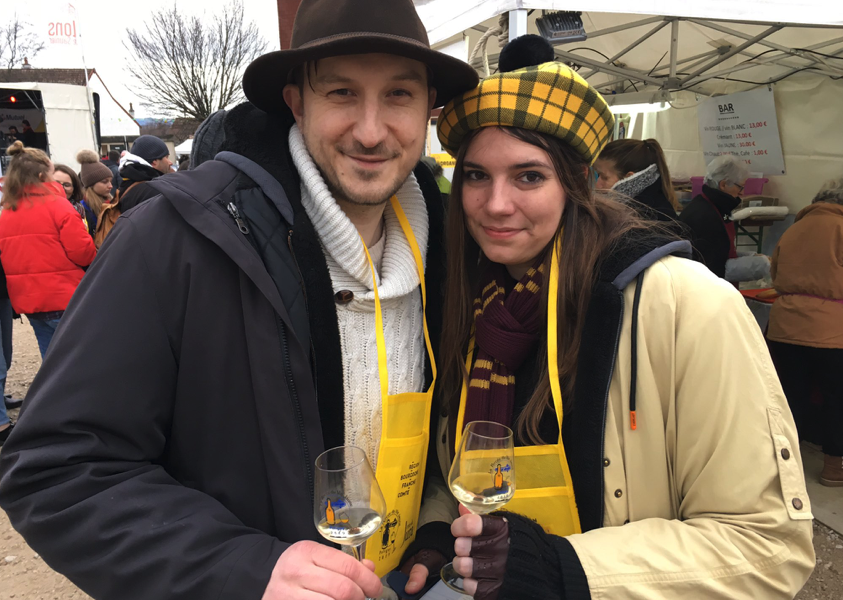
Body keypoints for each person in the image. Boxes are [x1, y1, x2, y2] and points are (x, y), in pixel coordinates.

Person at [0, 2, 478, 600]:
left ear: (430, 107)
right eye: (341, 93)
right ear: (297, 103)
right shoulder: (177, 237)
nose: (372, 130)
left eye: (400, 95)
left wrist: (431, 529)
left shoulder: (447, 238)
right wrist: (242, 571)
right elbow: (54, 470)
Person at [402, 35, 813, 600]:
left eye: (528, 176)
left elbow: (769, 547)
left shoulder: (688, 306)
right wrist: (437, 530)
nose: (495, 204)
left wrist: (568, 571)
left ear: (575, 187)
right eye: (476, 175)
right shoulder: (474, 306)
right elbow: (471, 472)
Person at [767, 176, 843, 487]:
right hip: (830, 329)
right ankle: (833, 468)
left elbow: (774, 272)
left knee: (790, 397)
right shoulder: (840, 228)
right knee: (835, 399)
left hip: (785, 326)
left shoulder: (794, 228)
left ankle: (786, 468)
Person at [0, 142, 96, 357]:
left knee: (51, 359)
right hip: (64, 296)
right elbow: (83, 253)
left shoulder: (7, 211)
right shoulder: (59, 206)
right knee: (81, 358)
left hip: (30, 301)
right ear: (44, 176)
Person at [678, 154, 748, 279]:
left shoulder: (717, 207)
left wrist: (747, 257)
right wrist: (758, 266)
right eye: (740, 187)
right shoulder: (704, 216)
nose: (742, 192)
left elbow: (722, 251)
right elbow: (713, 269)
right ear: (723, 184)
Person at [594, 138, 679, 221]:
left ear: (629, 179)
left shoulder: (646, 220)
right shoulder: (650, 202)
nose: (597, 185)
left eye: (604, 178)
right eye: (598, 175)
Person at [77, 149, 114, 235]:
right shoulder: (82, 209)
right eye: (105, 182)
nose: (110, 186)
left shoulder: (113, 201)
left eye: (110, 181)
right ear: (91, 184)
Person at [52, 164, 90, 231]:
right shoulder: (37, 207)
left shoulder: (79, 210)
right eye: (56, 183)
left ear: (74, 190)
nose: (61, 188)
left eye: (67, 185)